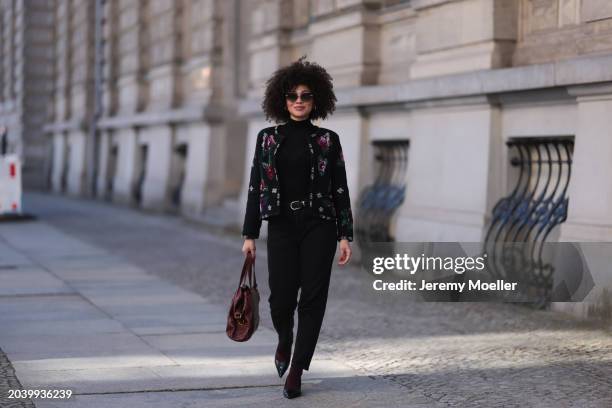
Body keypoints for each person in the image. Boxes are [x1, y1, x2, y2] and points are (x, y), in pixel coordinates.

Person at [241, 56, 354, 399]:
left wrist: (345, 233)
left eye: (306, 95)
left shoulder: (327, 140)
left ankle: (296, 370)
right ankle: (284, 340)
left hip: (319, 223)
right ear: (282, 100)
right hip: (281, 225)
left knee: (314, 298)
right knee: (280, 299)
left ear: (316, 99)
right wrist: (249, 234)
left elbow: (340, 188)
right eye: (293, 96)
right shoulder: (267, 139)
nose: (300, 101)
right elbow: (255, 186)